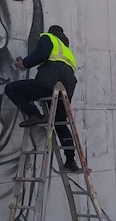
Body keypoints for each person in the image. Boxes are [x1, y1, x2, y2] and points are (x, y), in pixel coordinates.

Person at [5, 25, 81, 172]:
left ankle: (34, 114)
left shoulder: (48, 37)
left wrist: (24, 64)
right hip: (66, 90)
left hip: (48, 83)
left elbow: (42, 53)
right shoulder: (67, 51)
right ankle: (71, 160)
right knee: (60, 123)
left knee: (11, 89)